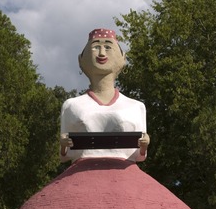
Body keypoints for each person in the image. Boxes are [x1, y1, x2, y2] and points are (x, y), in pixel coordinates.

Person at [59, 28, 150, 162]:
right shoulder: (71, 105)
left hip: (125, 176)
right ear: (81, 60)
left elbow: (141, 156)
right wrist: (63, 144)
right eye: (95, 47)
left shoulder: (137, 106)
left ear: (123, 58)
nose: (101, 53)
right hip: (82, 175)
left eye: (108, 47)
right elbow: (64, 156)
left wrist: (144, 143)